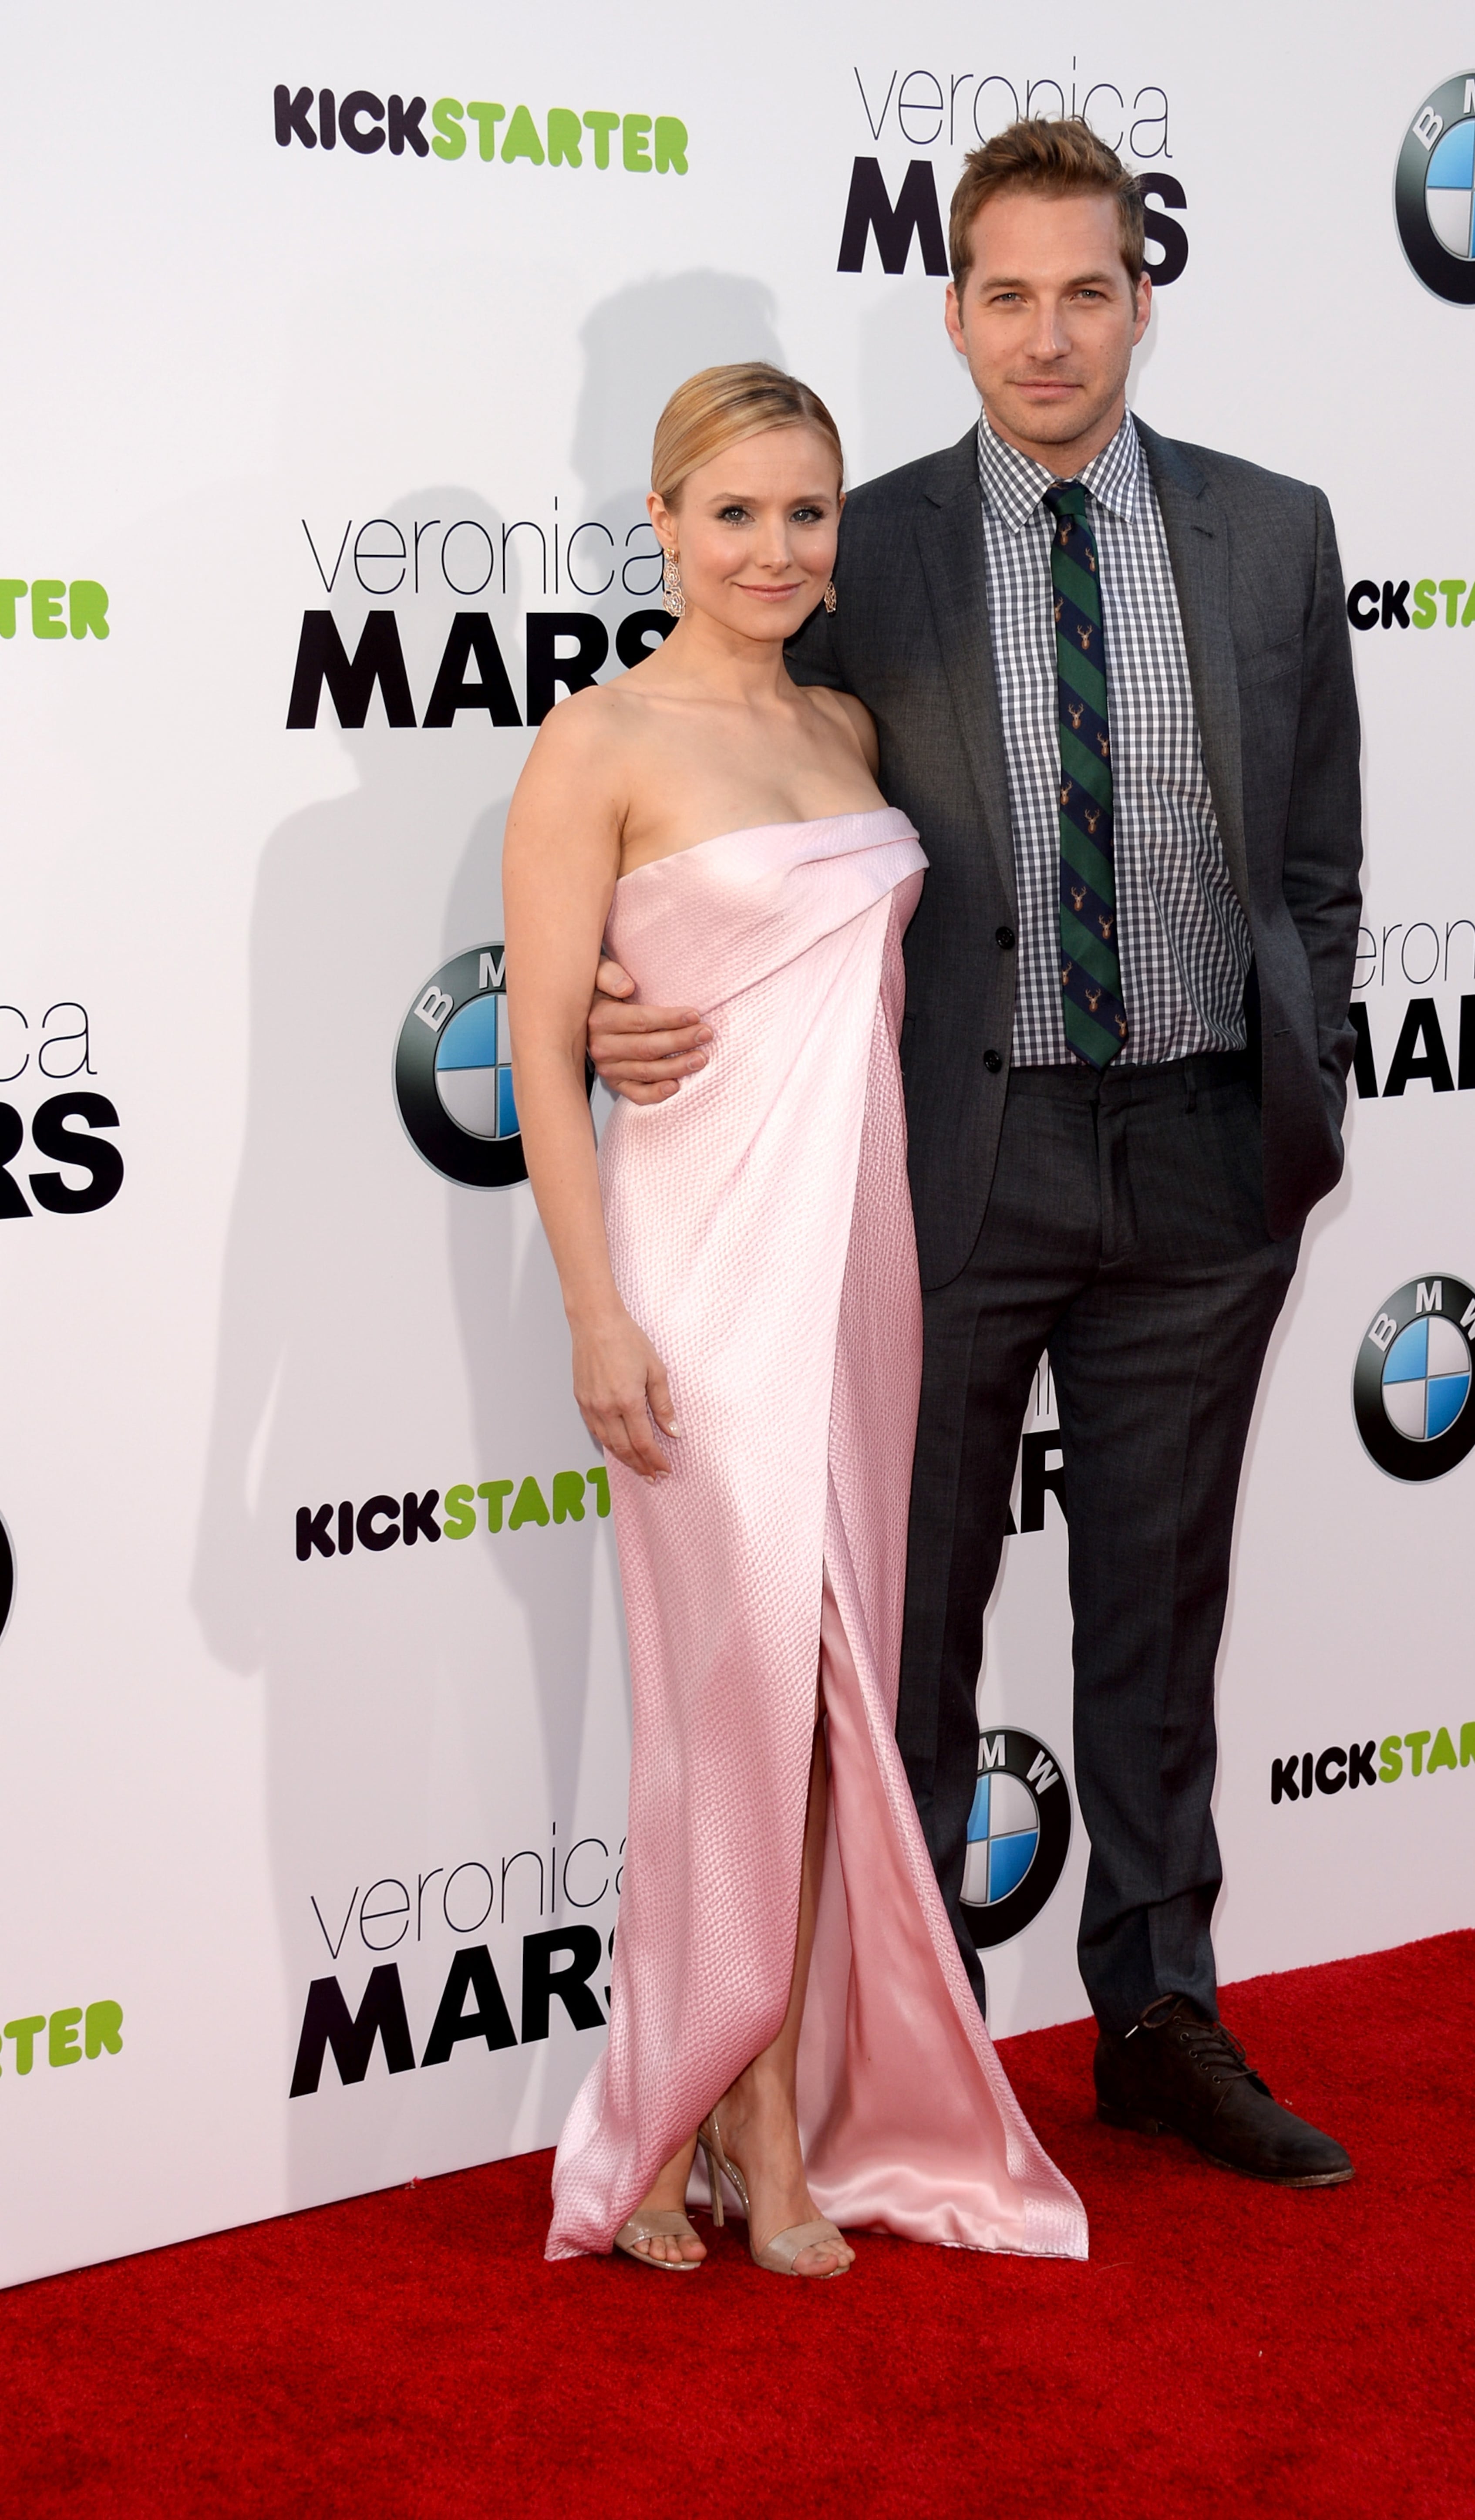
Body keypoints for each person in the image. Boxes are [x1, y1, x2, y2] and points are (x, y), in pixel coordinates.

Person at [589, 122, 1363, 2188]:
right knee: (905, 1625)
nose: (1047, 332)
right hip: (948, 1162)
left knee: (1160, 1614)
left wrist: (1314, 1072)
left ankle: (1162, 2015)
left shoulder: (1276, 536)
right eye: (1005, 294)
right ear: (951, 310)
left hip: (1209, 1161)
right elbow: (732, 810)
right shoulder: (869, 550)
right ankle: (875, 2052)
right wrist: (594, 992)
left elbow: (1321, 862)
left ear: (1140, 296)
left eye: (1085, 289)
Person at [505, 362, 1087, 2278]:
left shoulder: (852, 723)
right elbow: (536, 1051)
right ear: (661, 521)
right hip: (691, 1277)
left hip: (862, 1271)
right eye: (734, 512)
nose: (773, 549)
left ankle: (761, 2094)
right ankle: (698, 2100)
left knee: (833, 1709)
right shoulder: (594, 744)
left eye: (807, 513)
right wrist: (597, 1313)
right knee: (722, 1699)